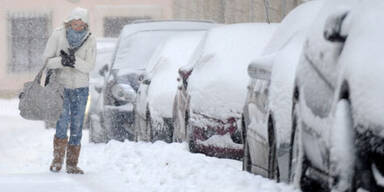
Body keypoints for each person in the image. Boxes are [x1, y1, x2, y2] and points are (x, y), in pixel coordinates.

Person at [42, 7, 96, 174]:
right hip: (61, 86)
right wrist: (62, 61)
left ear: (85, 24)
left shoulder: (90, 39)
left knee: (78, 125)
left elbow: (89, 66)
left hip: (81, 88)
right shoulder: (58, 35)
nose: (77, 27)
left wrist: (74, 62)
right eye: (74, 23)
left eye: (81, 24)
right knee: (62, 122)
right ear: (69, 22)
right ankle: (57, 160)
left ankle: (72, 164)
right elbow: (47, 61)